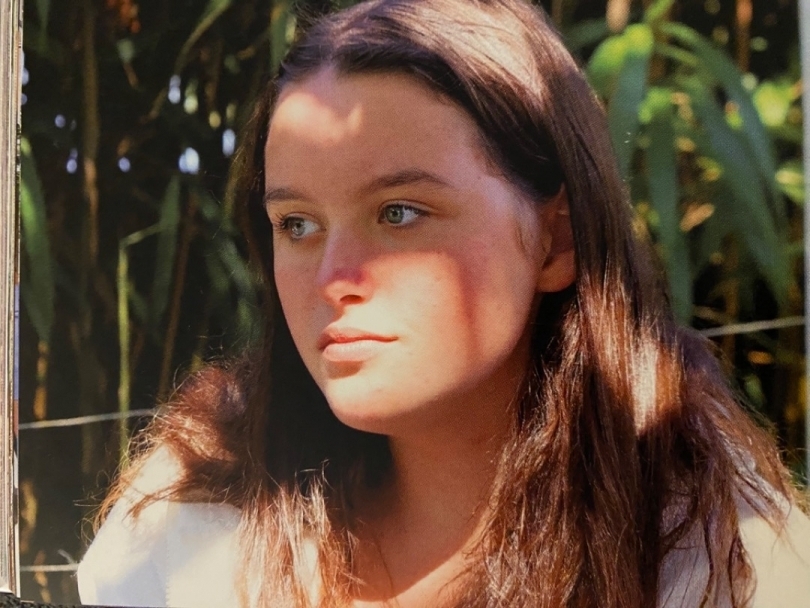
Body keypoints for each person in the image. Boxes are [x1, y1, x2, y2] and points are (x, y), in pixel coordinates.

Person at [77, 0, 810, 606]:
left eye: (399, 212)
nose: (332, 276)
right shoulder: (192, 530)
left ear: (555, 240)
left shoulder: (721, 561)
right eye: (296, 224)